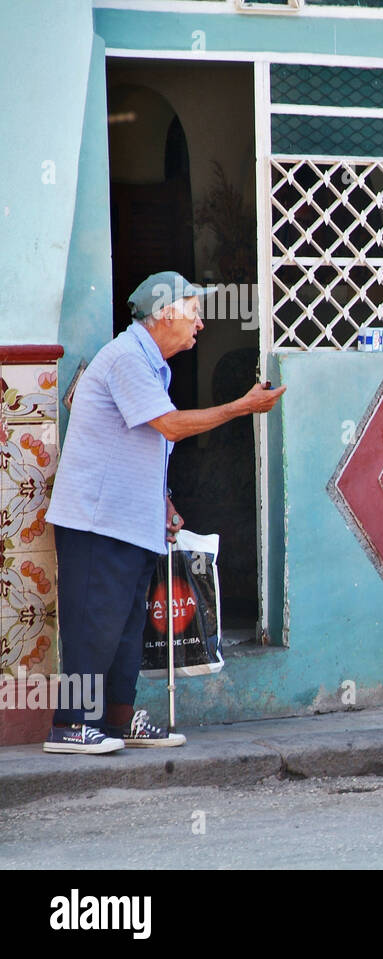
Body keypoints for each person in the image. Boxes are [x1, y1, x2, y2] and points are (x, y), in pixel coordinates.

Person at [43, 272, 286, 754]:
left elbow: (148, 445)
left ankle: (115, 722)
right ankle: (69, 725)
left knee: (127, 630)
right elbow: (169, 427)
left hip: (131, 521)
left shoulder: (153, 365)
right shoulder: (127, 358)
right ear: (166, 312)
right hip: (97, 520)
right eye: (194, 311)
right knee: (93, 626)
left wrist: (166, 501)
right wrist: (241, 406)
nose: (200, 323)